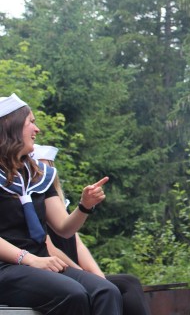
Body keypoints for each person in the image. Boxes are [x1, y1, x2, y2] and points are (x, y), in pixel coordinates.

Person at [0, 93, 122, 314]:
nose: (37, 129)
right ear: (11, 127)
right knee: (73, 294)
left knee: (107, 291)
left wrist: (84, 206)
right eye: (31, 122)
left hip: (41, 263)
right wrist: (29, 260)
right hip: (6, 268)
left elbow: (64, 229)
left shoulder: (38, 175)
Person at [32, 144, 151, 315]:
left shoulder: (59, 205)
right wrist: (82, 275)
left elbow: (77, 243)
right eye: (40, 166)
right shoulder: (32, 205)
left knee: (128, 283)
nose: (45, 171)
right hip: (54, 272)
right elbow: (49, 248)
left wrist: (97, 275)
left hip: (75, 272)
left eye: (48, 166)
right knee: (115, 287)